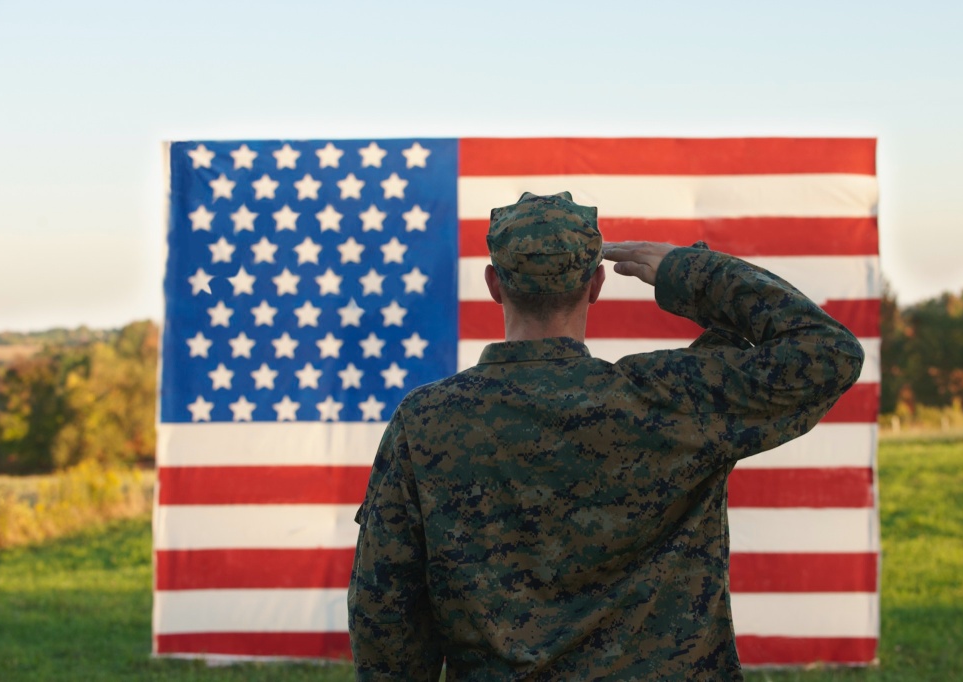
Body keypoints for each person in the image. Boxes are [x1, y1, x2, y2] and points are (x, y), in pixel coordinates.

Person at [348, 191, 865, 680]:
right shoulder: (671, 400)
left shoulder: (427, 420)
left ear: (493, 284)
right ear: (596, 285)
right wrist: (687, 272)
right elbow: (826, 351)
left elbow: (385, 610)